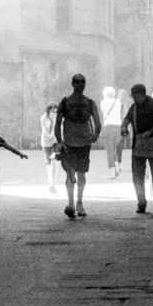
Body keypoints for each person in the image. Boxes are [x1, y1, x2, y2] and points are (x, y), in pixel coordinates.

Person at [54, 74, 101, 219]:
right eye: (77, 82)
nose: (81, 84)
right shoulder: (65, 102)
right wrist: (60, 141)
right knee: (70, 172)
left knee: (81, 173)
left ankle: (79, 201)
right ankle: (71, 203)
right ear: (72, 84)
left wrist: (95, 135)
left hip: (84, 143)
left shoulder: (90, 102)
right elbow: (58, 123)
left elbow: (97, 121)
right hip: (70, 143)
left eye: (83, 82)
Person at [120, 83, 153, 215]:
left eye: (136, 96)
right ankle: (141, 202)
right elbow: (126, 120)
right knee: (137, 175)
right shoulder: (134, 107)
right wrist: (124, 127)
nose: (134, 99)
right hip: (138, 144)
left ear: (141, 94)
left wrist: (152, 131)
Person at [100, 86, 122, 179]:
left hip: (108, 126)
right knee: (115, 148)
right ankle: (117, 165)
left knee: (110, 150)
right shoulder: (118, 102)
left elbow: (103, 113)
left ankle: (112, 172)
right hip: (118, 127)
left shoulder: (103, 102)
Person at [40, 103, 60, 193]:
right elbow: (48, 134)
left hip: (55, 143)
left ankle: (53, 184)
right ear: (48, 111)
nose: (54, 113)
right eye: (52, 111)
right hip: (46, 142)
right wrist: (52, 122)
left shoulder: (57, 118)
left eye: (55, 111)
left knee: (54, 162)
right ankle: (50, 183)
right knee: (48, 164)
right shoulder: (44, 118)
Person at [115, 88, 132, 171]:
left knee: (118, 145)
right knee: (120, 145)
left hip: (117, 127)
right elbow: (126, 117)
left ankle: (117, 164)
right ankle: (118, 163)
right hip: (121, 127)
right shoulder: (125, 104)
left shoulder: (116, 103)